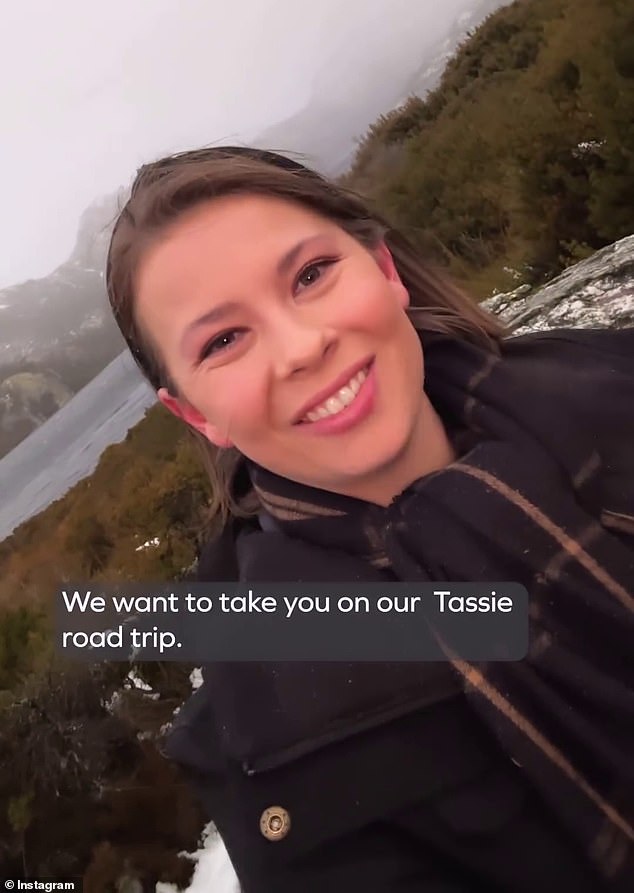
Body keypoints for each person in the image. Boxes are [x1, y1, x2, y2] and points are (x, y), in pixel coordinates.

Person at [106, 145, 634, 892]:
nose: (302, 347)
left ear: (384, 271)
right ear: (196, 413)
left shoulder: (611, 383)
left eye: (311, 275)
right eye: (224, 341)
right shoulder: (262, 745)